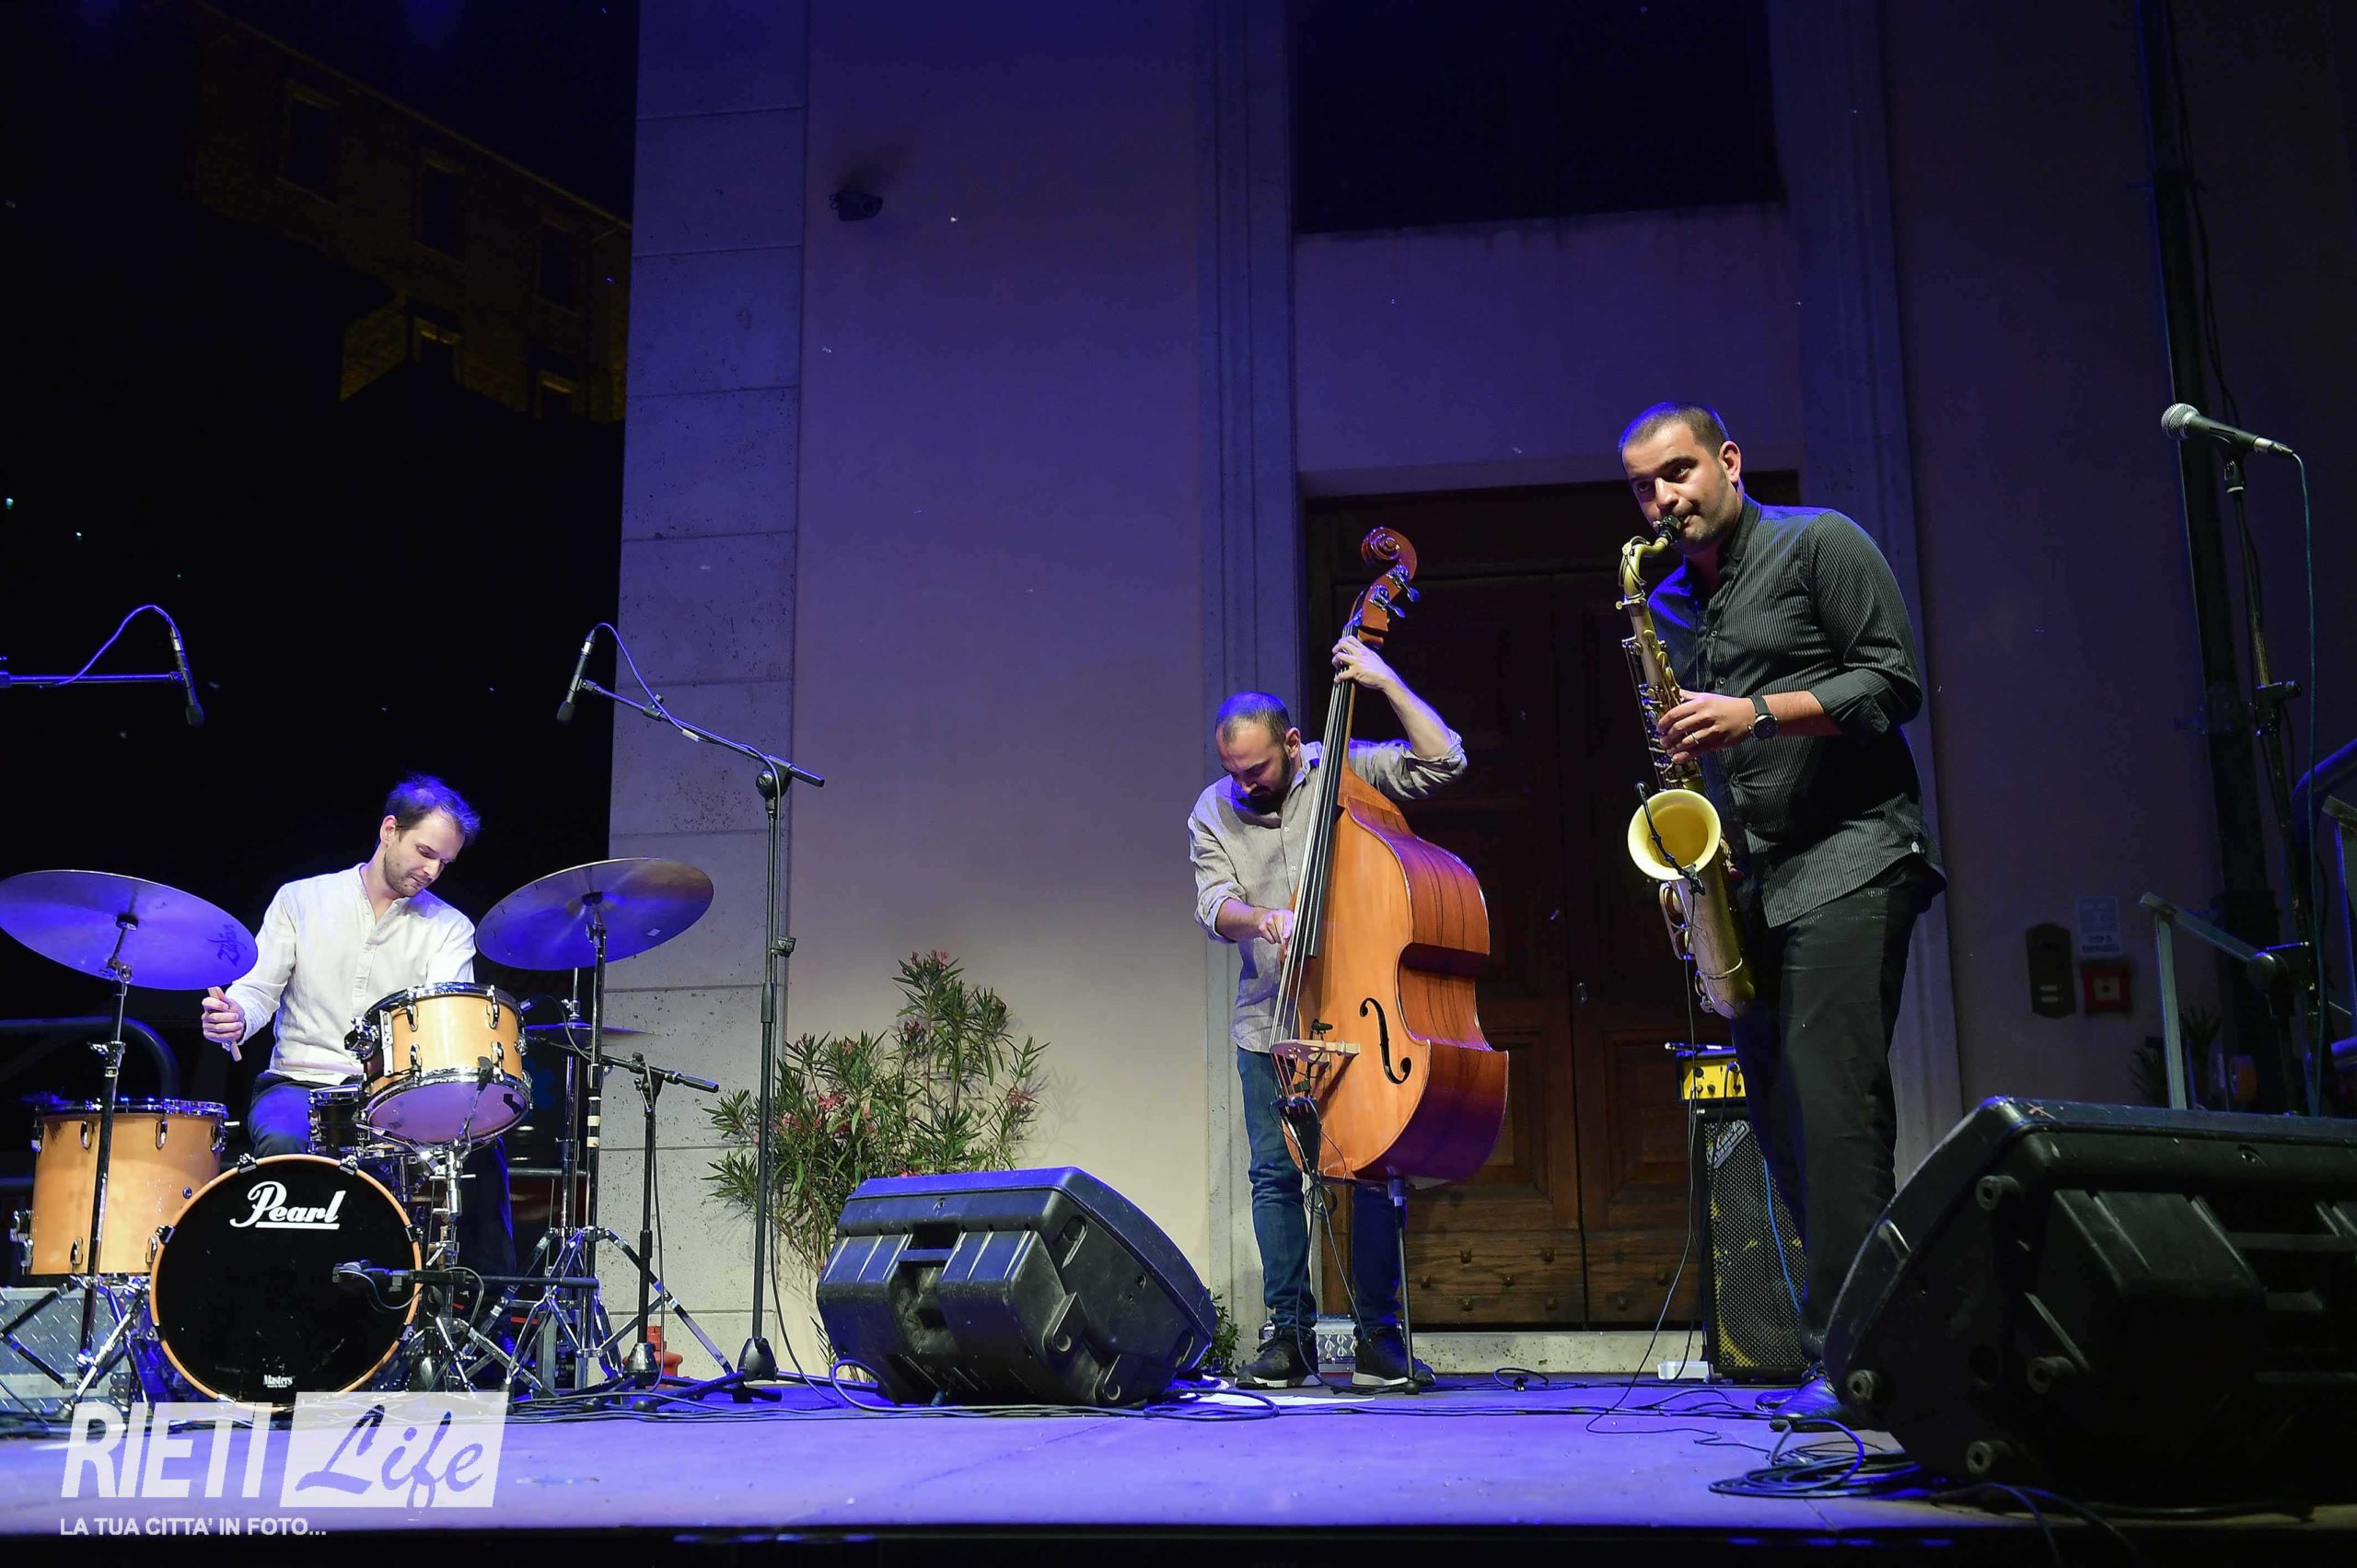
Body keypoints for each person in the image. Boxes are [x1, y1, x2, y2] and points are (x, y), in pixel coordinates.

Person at [1619, 401, 1945, 1423]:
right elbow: (1691, 748)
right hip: (1749, 879)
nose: (1663, 498)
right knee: (1781, 1119)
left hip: (1850, 854)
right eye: (1643, 485)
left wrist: (1755, 713)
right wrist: (1691, 854)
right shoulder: (1666, 601)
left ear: (1728, 459)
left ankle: (1849, 1364)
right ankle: (1869, 1344)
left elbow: (1892, 683)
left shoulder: (1819, 542)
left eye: (1678, 471)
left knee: (1832, 1109)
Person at [1188, 638, 1469, 1390]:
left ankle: (1378, 1339)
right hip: (1272, 1017)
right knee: (1274, 1176)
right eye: (1232, 770)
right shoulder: (1213, 810)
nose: (1244, 784)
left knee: (1375, 1168)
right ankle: (1289, 1336)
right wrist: (1261, 918)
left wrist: (1386, 679)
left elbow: (1444, 761)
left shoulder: (1344, 766)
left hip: (1361, 1011)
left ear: (1291, 743)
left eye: (1257, 769)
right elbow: (1213, 905)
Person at [201, 773, 516, 1278]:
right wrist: (235, 1016)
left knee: (481, 1149)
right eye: (425, 852)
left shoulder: (450, 928)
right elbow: (258, 990)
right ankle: (286, 1284)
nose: (432, 871)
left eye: (445, 862)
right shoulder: (301, 901)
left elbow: (441, 1026)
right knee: (283, 1142)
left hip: (391, 1098)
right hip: (298, 1084)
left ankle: (488, 1306)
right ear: (389, 830)